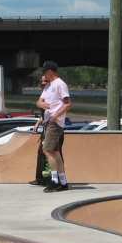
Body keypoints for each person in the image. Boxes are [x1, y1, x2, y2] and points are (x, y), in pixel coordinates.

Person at [36, 61, 71, 192]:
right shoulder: (48, 86)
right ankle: (62, 181)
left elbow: (67, 103)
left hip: (54, 122)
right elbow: (39, 101)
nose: (43, 75)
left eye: (44, 72)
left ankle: (54, 180)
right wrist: (41, 104)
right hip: (47, 121)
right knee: (55, 151)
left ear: (50, 71)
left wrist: (56, 116)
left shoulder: (60, 84)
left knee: (47, 150)